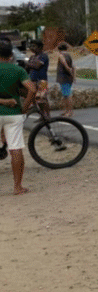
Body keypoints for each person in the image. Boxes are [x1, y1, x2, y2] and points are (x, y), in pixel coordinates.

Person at [0, 39, 36, 195]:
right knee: (16, 150)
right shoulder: (18, 70)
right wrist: (25, 107)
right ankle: (17, 187)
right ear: (10, 56)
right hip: (14, 114)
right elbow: (32, 90)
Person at [26, 39, 49, 119]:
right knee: (35, 99)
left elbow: (37, 66)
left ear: (39, 47)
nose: (32, 48)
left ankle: (47, 115)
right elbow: (28, 68)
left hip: (41, 80)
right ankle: (42, 115)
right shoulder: (32, 57)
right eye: (31, 46)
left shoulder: (43, 56)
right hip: (33, 80)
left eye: (33, 46)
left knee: (42, 98)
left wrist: (27, 64)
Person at [56, 42, 75, 117]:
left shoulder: (61, 55)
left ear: (59, 49)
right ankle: (66, 110)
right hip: (68, 77)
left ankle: (69, 111)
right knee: (65, 94)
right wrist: (73, 76)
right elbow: (73, 66)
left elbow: (64, 63)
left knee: (67, 95)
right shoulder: (69, 55)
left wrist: (68, 69)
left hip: (64, 77)